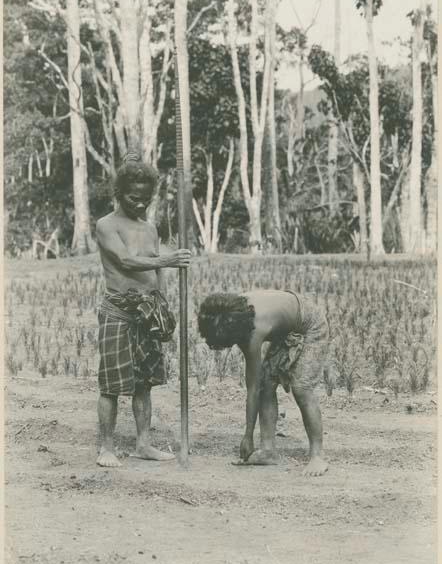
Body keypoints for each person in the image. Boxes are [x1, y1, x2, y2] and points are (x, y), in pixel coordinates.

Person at [95, 153, 191, 468]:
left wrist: (162, 304)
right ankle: (106, 448)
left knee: (145, 383)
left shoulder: (150, 229)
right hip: (118, 312)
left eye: (146, 199)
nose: (141, 204)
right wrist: (168, 260)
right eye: (134, 198)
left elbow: (154, 270)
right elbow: (125, 261)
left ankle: (143, 444)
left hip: (147, 315)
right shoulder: (106, 225)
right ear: (119, 193)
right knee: (111, 385)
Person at [198, 290, 330, 476]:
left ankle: (318, 455)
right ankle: (268, 450)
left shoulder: (251, 331)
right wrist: (249, 435)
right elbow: (257, 387)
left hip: (311, 324)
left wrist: (248, 435)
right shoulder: (234, 314)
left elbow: (252, 390)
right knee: (266, 384)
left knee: (302, 388)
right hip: (284, 328)